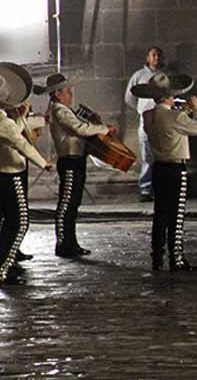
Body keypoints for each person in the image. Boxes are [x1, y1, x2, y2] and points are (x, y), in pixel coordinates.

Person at [35, 73, 117, 257]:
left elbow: (81, 127)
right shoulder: (60, 110)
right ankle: (63, 243)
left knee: (73, 203)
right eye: (68, 92)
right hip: (69, 160)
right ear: (57, 94)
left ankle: (71, 243)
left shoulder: (65, 110)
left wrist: (94, 122)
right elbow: (79, 129)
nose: (71, 95)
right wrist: (104, 129)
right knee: (67, 203)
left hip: (76, 159)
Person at [132, 73, 197, 272]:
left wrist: (181, 111)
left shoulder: (147, 115)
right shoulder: (175, 116)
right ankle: (177, 258)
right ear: (169, 96)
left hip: (159, 167)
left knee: (160, 214)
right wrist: (196, 109)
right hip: (175, 168)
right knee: (176, 215)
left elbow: (167, 122)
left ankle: (157, 256)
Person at [0, 62, 53, 285]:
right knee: (20, 222)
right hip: (10, 174)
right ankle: (3, 268)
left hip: (5, 173)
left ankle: (7, 264)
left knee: (10, 222)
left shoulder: (6, 119)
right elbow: (22, 144)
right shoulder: (3, 121)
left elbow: (17, 133)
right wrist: (44, 163)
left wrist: (20, 115)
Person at [124, 47, 163, 202]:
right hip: (146, 118)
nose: (156, 58)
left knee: (161, 155)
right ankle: (145, 188)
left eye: (159, 55)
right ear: (148, 57)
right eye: (153, 55)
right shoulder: (138, 76)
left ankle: (159, 187)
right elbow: (129, 97)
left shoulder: (163, 76)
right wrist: (142, 109)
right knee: (147, 155)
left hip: (161, 119)